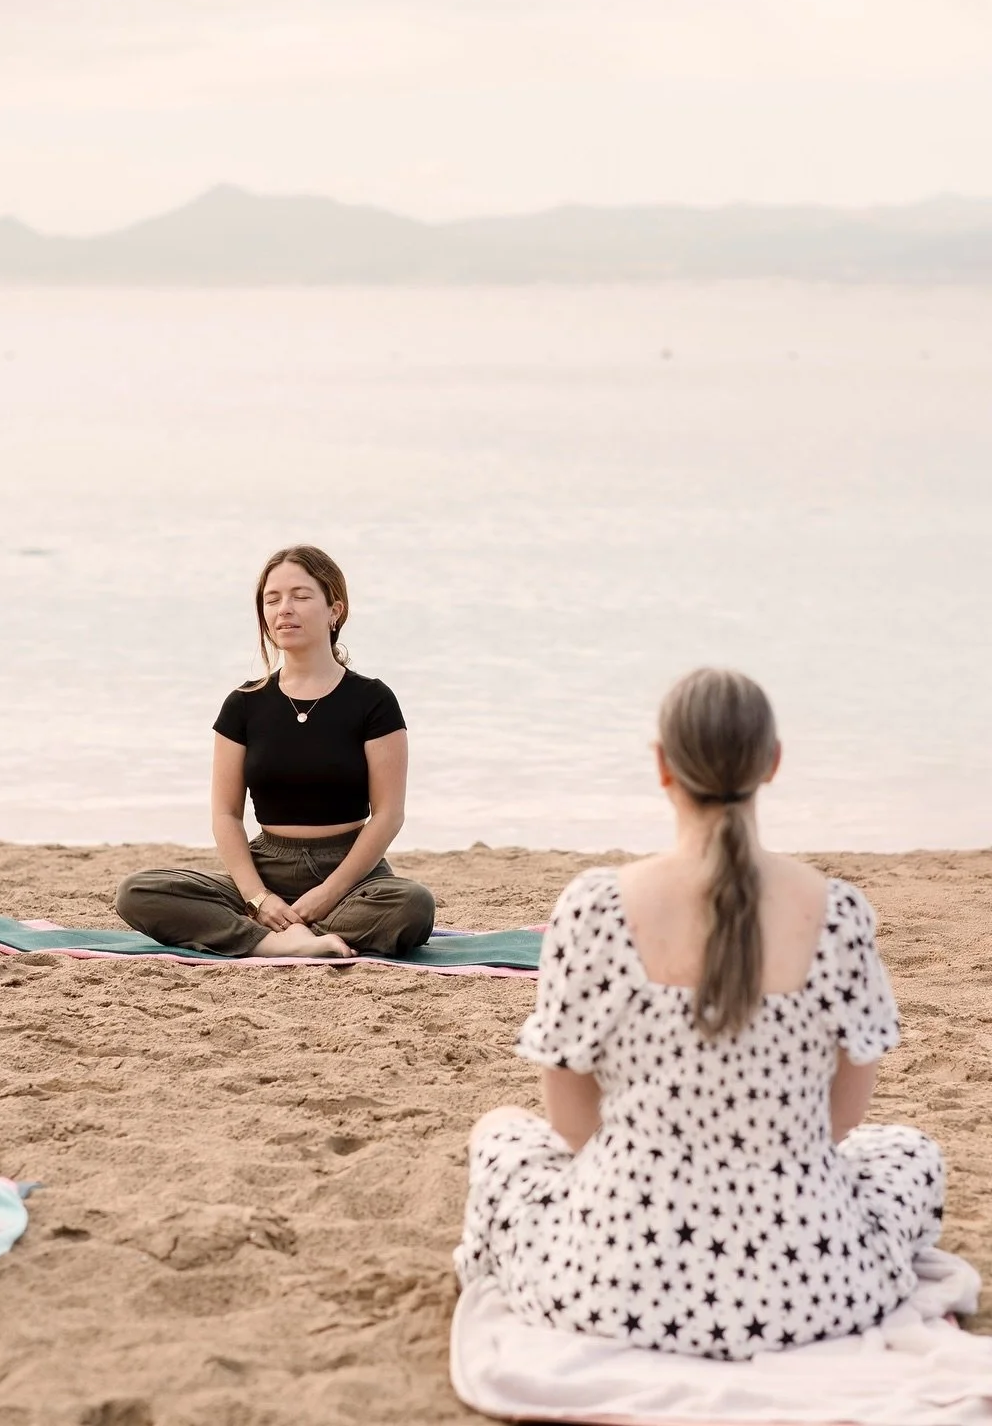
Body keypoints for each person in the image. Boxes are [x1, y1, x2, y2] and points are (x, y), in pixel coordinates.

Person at [456, 667, 944, 1360]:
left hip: (614, 1282)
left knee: (502, 1134)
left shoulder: (596, 908)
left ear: (662, 765)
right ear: (772, 762)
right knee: (909, 1153)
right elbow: (843, 1120)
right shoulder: (836, 912)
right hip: (809, 1288)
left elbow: (569, 1126)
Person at [117, 544, 435, 958]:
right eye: (272, 599)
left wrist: (326, 893)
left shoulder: (373, 700)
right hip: (266, 866)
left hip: (352, 874)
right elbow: (226, 815)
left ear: (334, 610)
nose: (284, 608)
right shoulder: (243, 704)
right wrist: (259, 899)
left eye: (301, 596)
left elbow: (389, 814)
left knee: (413, 906)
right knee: (138, 892)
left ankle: (283, 933)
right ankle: (276, 940)